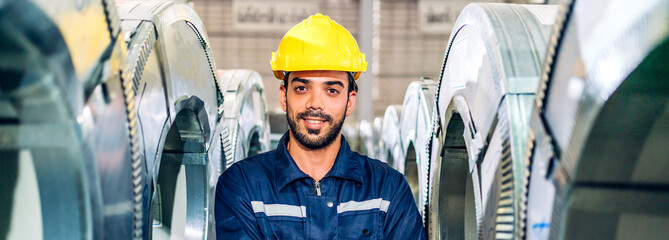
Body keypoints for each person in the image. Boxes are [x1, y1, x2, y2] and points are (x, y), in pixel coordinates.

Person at [215, 13, 426, 239]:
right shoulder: (243, 185)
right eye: (302, 89)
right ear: (284, 96)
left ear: (350, 101)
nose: (315, 103)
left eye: (331, 90)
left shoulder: (387, 190)